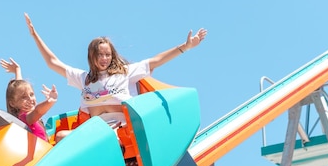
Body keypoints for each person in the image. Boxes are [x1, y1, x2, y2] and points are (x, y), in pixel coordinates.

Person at [24, 13, 207, 135]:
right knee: (62, 136)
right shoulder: (84, 79)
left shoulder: (124, 73)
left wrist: (185, 47)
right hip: (93, 134)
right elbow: (53, 63)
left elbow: (155, 61)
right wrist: (34, 36)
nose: (104, 58)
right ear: (91, 56)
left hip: (121, 131)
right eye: (100, 54)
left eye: (107, 54)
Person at [0, 57, 58, 142]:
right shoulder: (24, 118)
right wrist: (50, 101)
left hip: (45, 149)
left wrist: (17, 70)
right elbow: (38, 111)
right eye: (24, 97)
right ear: (12, 103)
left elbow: (19, 88)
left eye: (31, 94)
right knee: (61, 136)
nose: (30, 99)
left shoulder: (21, 114)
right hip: (42, 153)